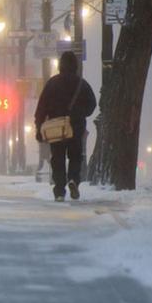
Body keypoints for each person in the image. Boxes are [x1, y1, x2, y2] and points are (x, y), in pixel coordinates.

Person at [34, 51, 97, 201]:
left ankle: (60, 191)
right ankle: (73, 179)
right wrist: (81, 113)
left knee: (58, 158)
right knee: (75, 156)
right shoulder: (82, 84)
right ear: (75, 65)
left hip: (56, 127)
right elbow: (92, 104)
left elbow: (41, 107)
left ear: (60, 65)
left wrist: (39, 127)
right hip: (76, 126)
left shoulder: (52, 83)